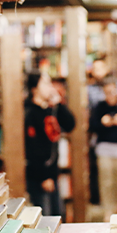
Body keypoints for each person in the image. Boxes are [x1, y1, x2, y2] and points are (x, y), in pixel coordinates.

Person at [24, 71, 76, 218]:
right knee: (45, 218)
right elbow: (32, 147)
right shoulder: (29, 112)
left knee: (58, 216)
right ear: (35, 88)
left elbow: (70, 124)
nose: (50, 87)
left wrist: (59, 103)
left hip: (53, 174)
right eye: (45, 83)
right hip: (39, 176)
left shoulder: (50, 110)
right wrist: (44, 177)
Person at [89, 77, 117, 221]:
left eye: (113, 91)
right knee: (106, 181)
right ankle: (108, 209)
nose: (110, 95)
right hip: (104, 149)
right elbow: (92, 126)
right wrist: (103, 123)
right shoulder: (99, 107)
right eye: (107, 92)